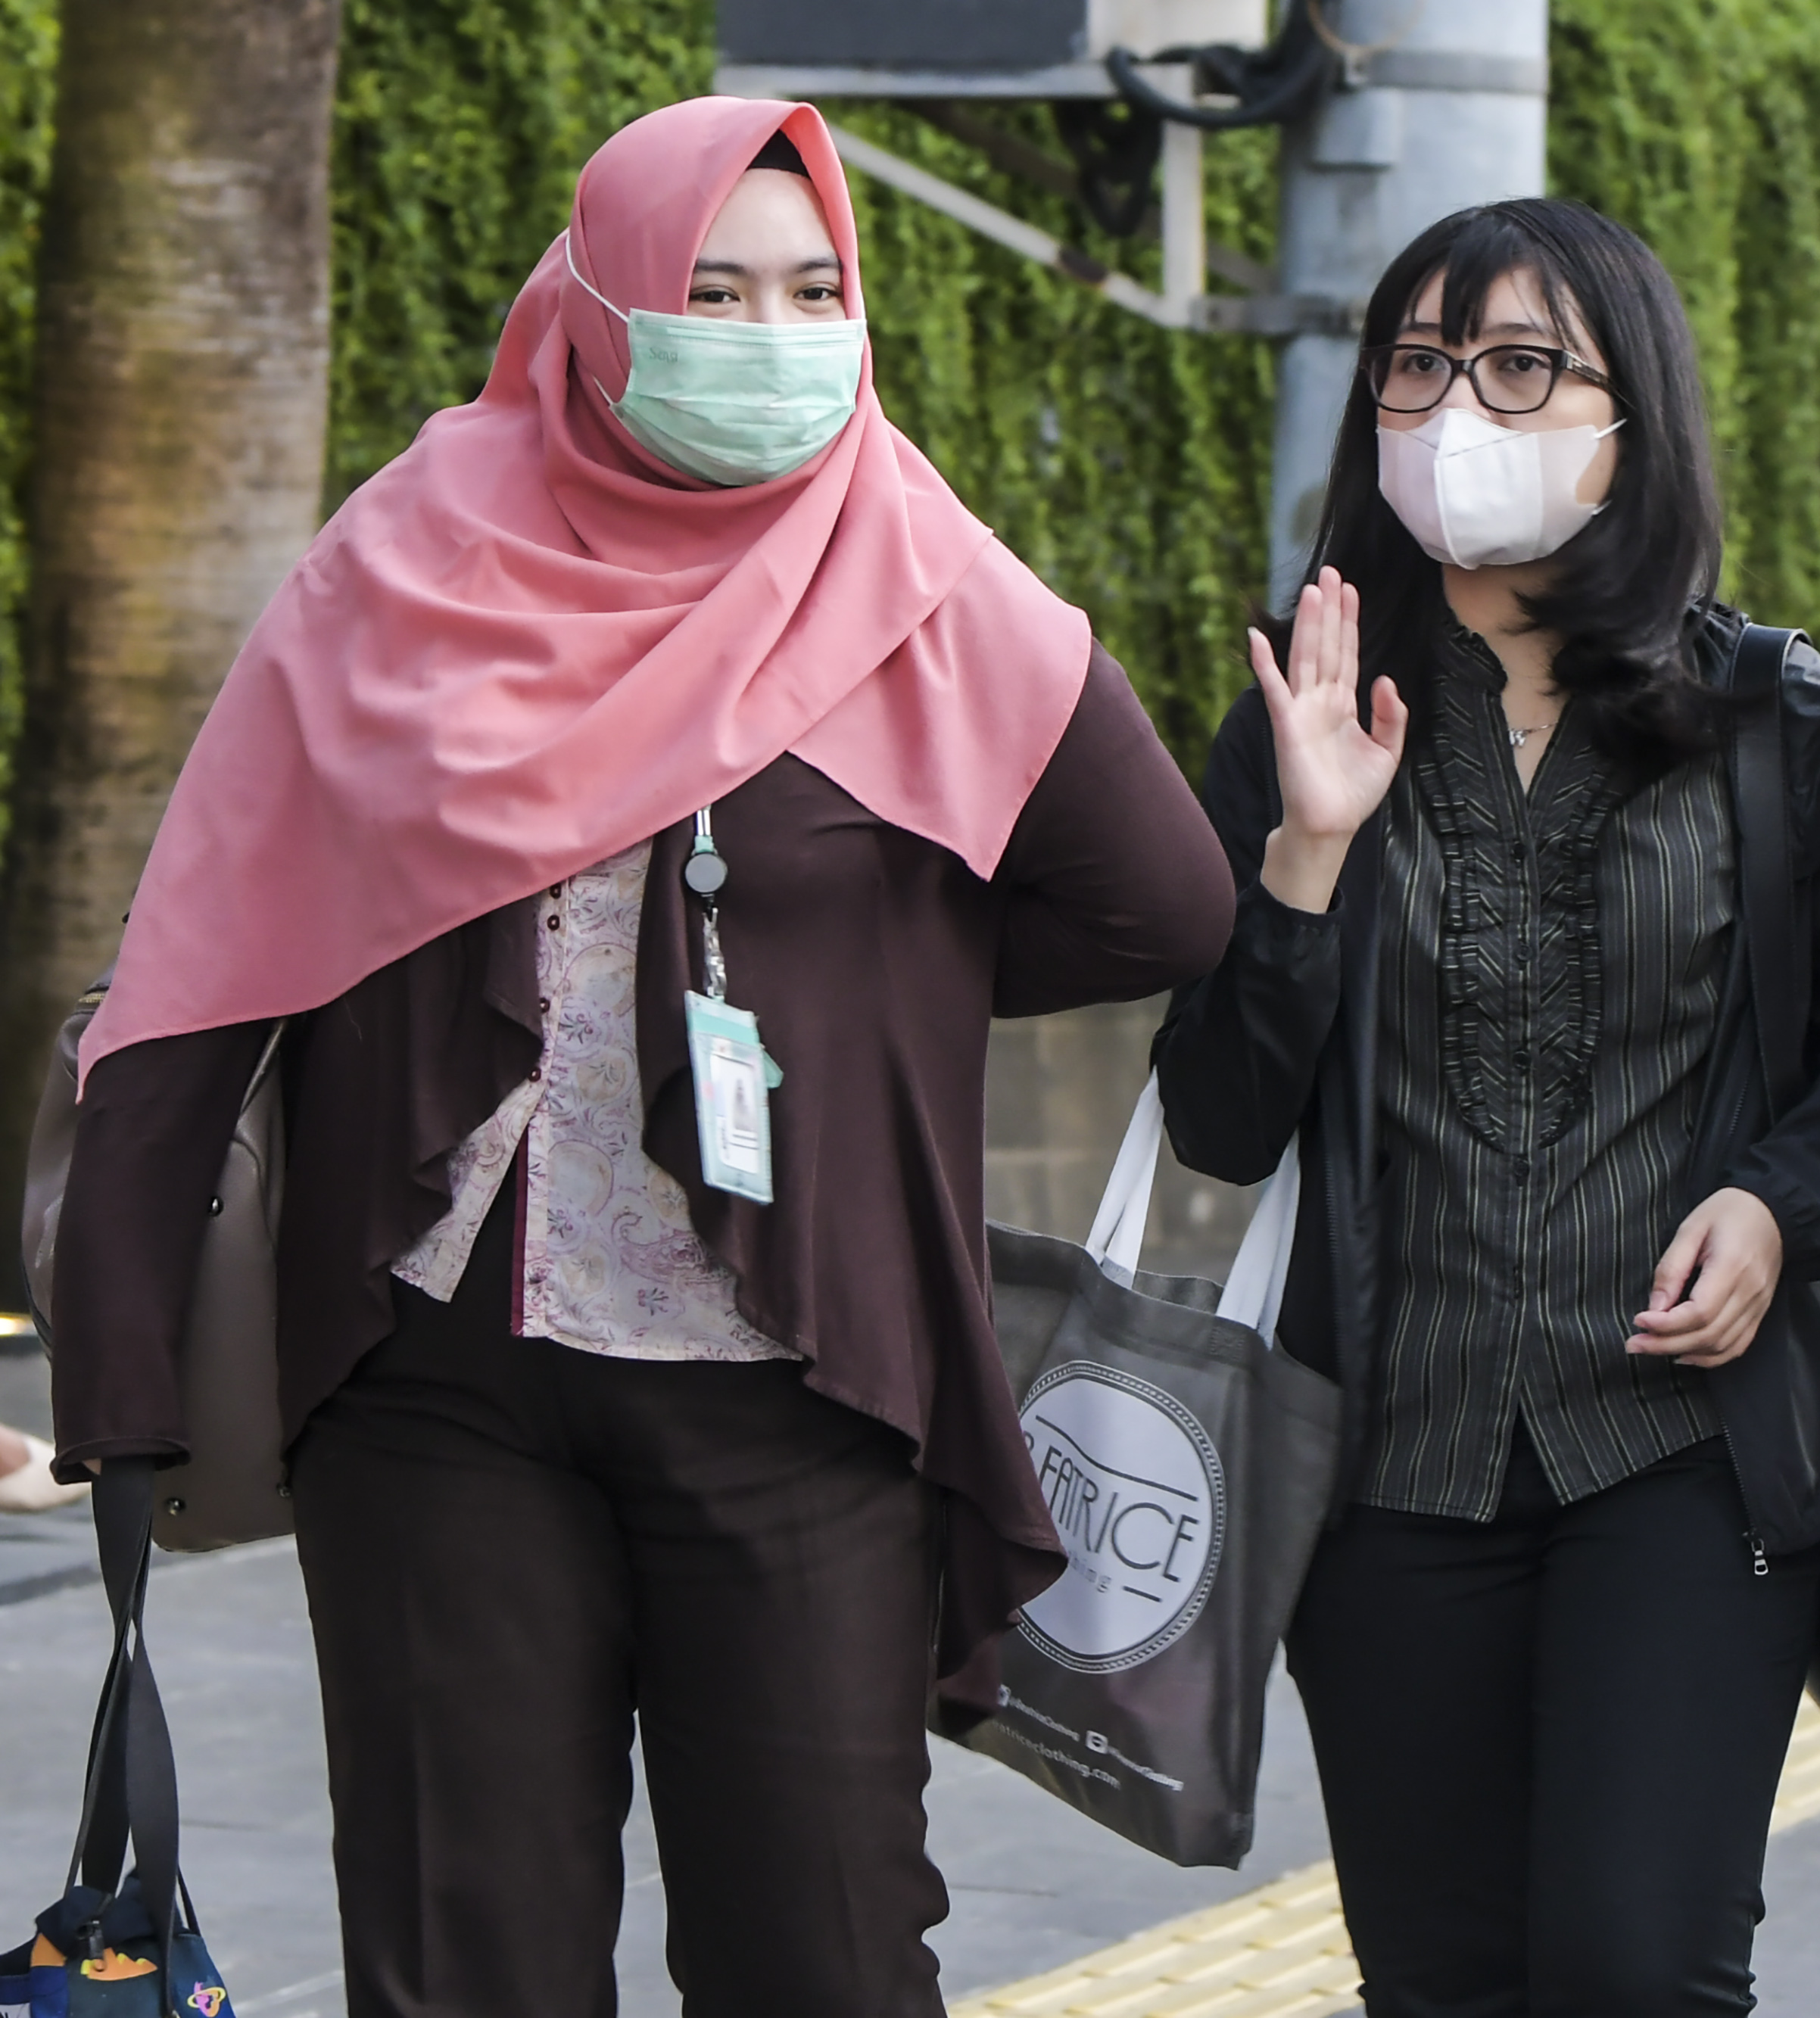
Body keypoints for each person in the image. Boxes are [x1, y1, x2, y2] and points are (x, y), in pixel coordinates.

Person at [39, 98, 1234, 2016]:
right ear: (598, 315)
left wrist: (870, 993)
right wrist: (113, 1364)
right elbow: (207, 960)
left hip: (797, 1387)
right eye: (714, 293)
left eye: (815, 291)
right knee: (464, 1959)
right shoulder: (400, 568)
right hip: (437, 1379)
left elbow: (1160, 905)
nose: (773, 339)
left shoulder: (929, 581)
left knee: (824, 1952)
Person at [1152, 197, 1820, 2016]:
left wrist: (1779, 1210)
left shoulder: (1773, 721)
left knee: (1633, 1967)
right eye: (1418, 367)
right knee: (1439, 1978)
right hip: (1385, 1462)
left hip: (1680, 1453)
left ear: (1625, 415)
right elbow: (1217, 1115)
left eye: (1520, 368)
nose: (1459, 412)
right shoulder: (1298, 711)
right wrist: (1303, 856)